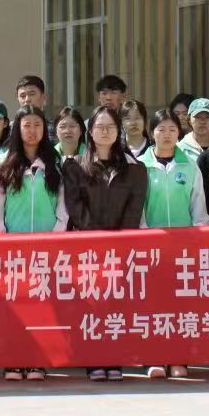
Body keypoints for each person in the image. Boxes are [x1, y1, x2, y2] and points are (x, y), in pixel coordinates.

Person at [64, 106, 147, 383]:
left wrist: (118, 243)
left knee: (115, 306)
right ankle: (93, 360)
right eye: (99, 127)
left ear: (118, 131)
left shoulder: (134, 169)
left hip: (120, 249)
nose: (105, 131)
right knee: (90, 306)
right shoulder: (75, 166)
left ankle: (114, 359)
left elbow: (134, 210)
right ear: (90, 131)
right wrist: (96, 240)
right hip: (88, 249)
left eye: (110, 127)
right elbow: (75, 207)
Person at [0, 108, 68, 381]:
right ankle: (13, 360)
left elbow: (63, 204)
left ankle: (37, 361)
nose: (32, 131)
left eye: (37, 125)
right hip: (13, 249)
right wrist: (1, 236)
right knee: (14, 306)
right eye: (26, 125)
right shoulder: (4, 164)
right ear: (17, 129)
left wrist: (56, 234)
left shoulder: (54, 163)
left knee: (42, 306)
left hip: (46, 248)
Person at [139, 109, 207, 379]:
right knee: (152, 304)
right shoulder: (140, 166)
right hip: (151, 248)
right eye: (161, 129)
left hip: (183, 248)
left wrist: (197, 238)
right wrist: (145, 237)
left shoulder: (190, 166)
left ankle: (180, 357)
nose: (166, 135)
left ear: (179, 133)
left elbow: (198, 207)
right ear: (151, 132)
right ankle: (153, 357)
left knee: (181, 304)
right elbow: (138, 208)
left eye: (172, 129)